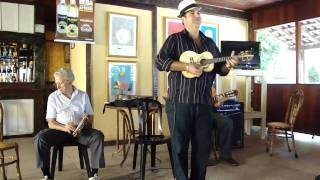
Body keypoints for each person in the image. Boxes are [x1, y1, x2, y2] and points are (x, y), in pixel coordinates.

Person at [155, 0, 239, 179]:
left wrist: (228, 65)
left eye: (198, 12)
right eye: (192, 13)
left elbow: (220, 70)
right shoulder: (174, 40)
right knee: (179, 149)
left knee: (202, 150)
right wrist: (186, 66)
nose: (197, 15)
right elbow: (160, 62)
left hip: (204, 104)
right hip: (180, 103)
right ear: (183, 19)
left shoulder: (209, 43)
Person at [34, 68, 105, 180]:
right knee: (40, 138)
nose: (57, 86)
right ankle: (46, 175)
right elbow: (51, 122)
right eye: (56, 83)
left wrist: (85, 119)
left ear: (70, 81)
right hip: (60, 131)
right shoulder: (53, 97)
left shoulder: (83, 95)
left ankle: (94, 174)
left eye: (60, 83)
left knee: (98, 136)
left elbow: (90, 117)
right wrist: (64, 127)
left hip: (80, 131)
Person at [208, 87, 239, 166]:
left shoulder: (211, 88)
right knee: (203, 125)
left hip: (210, 114)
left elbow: (216, 105)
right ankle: (203, 157)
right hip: (196, 115)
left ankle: (225, 155)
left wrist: (219, 102)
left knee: (227, 122)